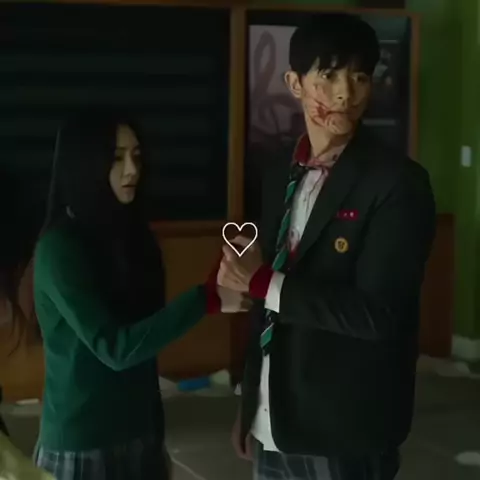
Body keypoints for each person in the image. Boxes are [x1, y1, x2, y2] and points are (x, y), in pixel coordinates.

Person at [218, 13, 436, 480]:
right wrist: (250, 403)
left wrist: (264, 283)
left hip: (343, 425)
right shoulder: (280, 170)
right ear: (294, 83)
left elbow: (379, 314)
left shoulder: (397, 183)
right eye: (330, 75)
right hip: (273, 419)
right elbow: (266, 306)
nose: (345, 93)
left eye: (360, 77)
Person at [32, 111, 248, 480]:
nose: (132, 169)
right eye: (116, 158)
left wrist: (156, 439)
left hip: (141, 435)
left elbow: (145, 349)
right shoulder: (60, 248)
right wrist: (208, 299)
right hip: (82, 441)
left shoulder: (134, 237)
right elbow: (116, 349)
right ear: (85, 163)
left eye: (136, 156)